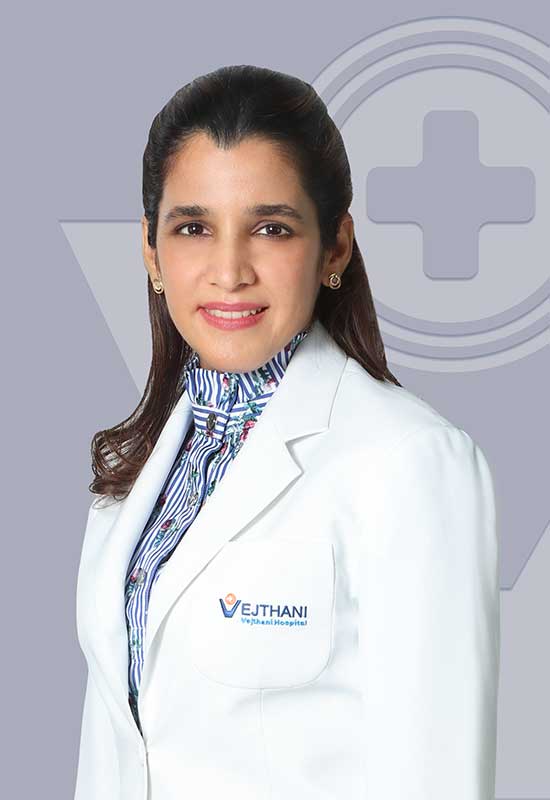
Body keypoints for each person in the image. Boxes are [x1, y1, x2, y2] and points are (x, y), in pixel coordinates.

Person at [73, 64, 500, 800]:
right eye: (193, 227)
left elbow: (438, 774)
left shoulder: (410, 462)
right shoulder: (133, 471)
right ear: (151, 250)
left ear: (335, 248)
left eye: (271, 228)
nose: (229, 270)